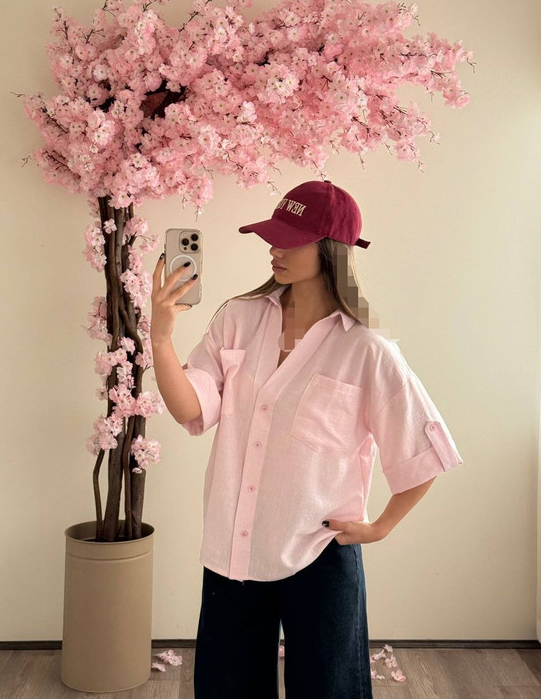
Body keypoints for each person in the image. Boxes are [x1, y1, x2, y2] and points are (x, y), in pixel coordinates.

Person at [150, 179, 464, 699]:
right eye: (272, 236)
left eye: (290, 240)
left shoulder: (366, 349)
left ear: (330, 249)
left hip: (320, 554)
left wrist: (381, 527)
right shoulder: (239, 318)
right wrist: (161, 337)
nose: (274, 248)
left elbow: (424, 449)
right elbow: (191, 408)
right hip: (233, 551)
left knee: (329, 691)